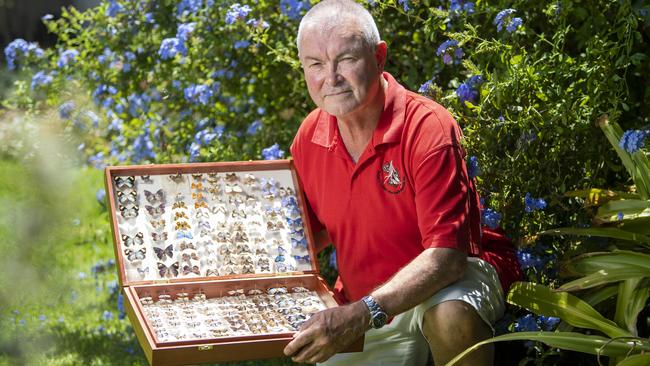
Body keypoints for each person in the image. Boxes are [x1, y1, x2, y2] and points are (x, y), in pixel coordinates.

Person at [284, 1, 521, 365]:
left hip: (449, 281)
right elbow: (307, 241)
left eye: (346, 60)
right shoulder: (308, 136)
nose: (330, 78)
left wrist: (362, 314)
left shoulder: (428, 126)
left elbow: (448, 258)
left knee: (451, 314)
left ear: (379, 57)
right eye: (315, 64)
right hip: (367, 297)